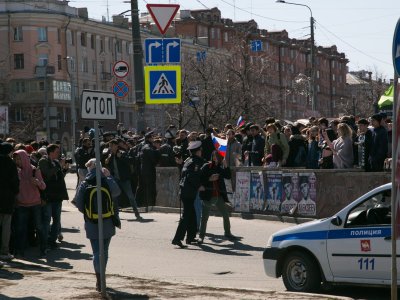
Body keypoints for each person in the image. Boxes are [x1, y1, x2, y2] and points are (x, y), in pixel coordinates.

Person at [75, 158, 121, 292]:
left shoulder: (85, 183)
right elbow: (117, 192)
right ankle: (102, 277)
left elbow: (78, 203)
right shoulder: (106, 180)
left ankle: (99, 279)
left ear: (90, 168)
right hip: (108, 221)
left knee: (96, 251)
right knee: (104, 250)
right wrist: (109, 176)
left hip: (91, 222)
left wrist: (89, 213)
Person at [13, 150, 47, 257]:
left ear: (24, 158)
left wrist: (37, 182)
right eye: (16, 159)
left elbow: (43, 186)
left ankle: (43, 249)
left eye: (19, 159)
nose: (18, 161)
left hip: (35, 203)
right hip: (21, 204)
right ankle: (20, 251)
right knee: (21, 228)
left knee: (39, 227)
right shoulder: (15, 171)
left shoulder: (34, 170)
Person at [172, 141, 205, 249]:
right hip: (189, 192)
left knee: (192, 215)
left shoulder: (188, 160)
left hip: (186, 191)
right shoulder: (195, 162)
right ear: (197, 151)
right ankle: (177, 239)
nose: (201, 152)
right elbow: (191, 176)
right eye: (200, 150)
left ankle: (190, 237)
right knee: (186, 216)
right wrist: (199, 186)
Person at [198, 150, 236, 244]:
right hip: (208, 195)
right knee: (204, 217)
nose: (215, 158)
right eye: (214, 156)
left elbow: (227, 176)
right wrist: (209, 179)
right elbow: (199, 178)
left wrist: (226, 164)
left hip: (218, 195)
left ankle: (227, 233)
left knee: (225, 215)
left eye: (217, 157)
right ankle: (201, 236)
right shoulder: (207, 166)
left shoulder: (219, 167)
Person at [38, 144, 69, 249]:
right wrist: (58, 166)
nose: (58, 154)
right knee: (47, 220)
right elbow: (47, 175)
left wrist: (64, 169)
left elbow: (59, 177)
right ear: (50, 152)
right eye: (57, 152)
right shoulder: (43, 161)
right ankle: (44, 241)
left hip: (57, 196)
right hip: (48, 196)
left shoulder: (56, 162)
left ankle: (52, 240)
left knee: (57, 220)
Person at [105, 139, 142, 220]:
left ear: (116, 146)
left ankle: (137, 214)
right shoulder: (110, 155)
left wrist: (121, 157)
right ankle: (115, 214)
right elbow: (109, 166)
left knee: (130, 196)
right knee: (114, 196)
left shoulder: (122, 153)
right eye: (109, 146)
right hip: (115, 179)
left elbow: (131, 161)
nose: (110, 147)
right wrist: (107, 161)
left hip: (124, 179)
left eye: (111, 146)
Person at [0, 143, 19, 262]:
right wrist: (15, 192)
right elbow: (15, 182)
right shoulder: (10, 163)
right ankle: (4, 251)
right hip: (7, 198)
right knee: (6, 226)